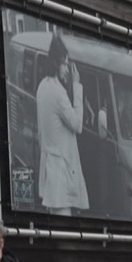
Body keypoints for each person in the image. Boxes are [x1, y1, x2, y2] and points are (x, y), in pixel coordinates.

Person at [35, 32, 87, 216]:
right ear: (57, 63)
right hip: (62, 176)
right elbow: (78, 125)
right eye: (66, 64)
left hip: (49, 174)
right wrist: (77, 87)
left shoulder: (42, 87)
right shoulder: (59, 93)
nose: (67, 69)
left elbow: (41, 133)